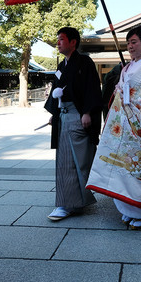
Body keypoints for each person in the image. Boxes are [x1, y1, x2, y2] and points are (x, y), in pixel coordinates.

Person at [87, 26, 141, 229]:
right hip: (123, 125)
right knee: (120, 168)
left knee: (137, 169)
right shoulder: (126, 68)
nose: (130, 46)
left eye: (134, 42)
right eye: (128, 43)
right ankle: (127, 209)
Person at [44, 27, 103, 221]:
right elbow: (56, 90)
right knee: (66, 162)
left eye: (61, 39)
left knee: (79, 162)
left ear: (73, 42)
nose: (58, 43)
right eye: (58, 39)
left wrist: (87, 112)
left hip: (78, 116)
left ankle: (70, 204)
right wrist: (55, 112)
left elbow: (92, 89)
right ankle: (69, 203)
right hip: (64, 117)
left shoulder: (84, 62)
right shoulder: (62, 66)